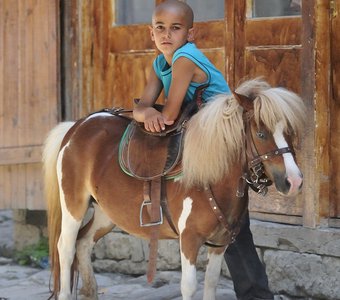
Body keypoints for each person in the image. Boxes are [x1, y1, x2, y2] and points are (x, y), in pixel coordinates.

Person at [133, 1, 274, 299]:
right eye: (160, 28)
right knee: (224, 218)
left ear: (191, 33)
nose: (166, 34)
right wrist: (145, 113)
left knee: (233, 222)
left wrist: (150, 113)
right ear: (151, 33)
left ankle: (256, 294)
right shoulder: (160, 63)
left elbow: (168, 115)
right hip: (198, 131)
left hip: (225, 133)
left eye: (176, 28)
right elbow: (142, 105)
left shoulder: (185, 58)